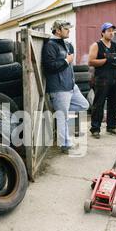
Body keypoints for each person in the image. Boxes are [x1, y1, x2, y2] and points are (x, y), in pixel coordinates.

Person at [42, 20, 89, 153]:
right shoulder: (50, 45)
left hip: (71, 86)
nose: (69, 30)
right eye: (66, 28)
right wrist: (65, 61)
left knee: (84, 105)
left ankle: (60, 111)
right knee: (62, 116)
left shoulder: (66, 45)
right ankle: (65, 144)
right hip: (59, 88)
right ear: (57, 30)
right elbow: (49, 67)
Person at [88, 22, 116, 139]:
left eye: (112, 31)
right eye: (108, 31)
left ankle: (111, 127)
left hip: (115, 78)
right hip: (102, 79)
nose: (111, 33)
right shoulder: (96, 45)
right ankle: (95, 129)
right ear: (103, 32)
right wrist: (106, 60)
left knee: (115, 103)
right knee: (99, 104)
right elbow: (90, 61)